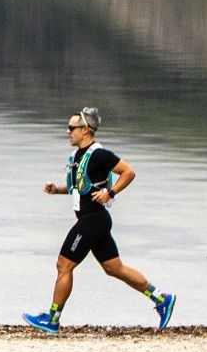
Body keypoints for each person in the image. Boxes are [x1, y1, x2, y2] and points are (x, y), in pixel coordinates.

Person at [24, 107, 175, 334]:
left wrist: (111, 193)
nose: (67, 132)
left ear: (85, 130)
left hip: (92, 220)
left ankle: (52, 320)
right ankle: (161, 298)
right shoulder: (78, 156)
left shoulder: (99, 154)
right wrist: (56, 190)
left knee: (64, 265)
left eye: (71, 128)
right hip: (96, 220)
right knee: (114, 268)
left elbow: (128, 172)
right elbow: (80, 188)